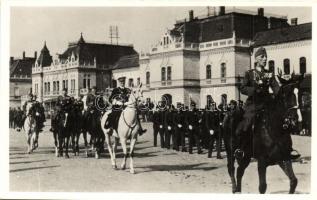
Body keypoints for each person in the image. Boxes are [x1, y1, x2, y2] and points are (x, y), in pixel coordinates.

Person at [235, 47, 300, 159]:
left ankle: (288, 148)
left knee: (282, 120)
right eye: (262, 57)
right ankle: (241, 148)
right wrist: (254, 90)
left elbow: (276, 88)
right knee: (248, 122)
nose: (265, 59)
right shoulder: (250, 74)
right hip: (254, 104)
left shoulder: (269, 74)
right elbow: (243, 88)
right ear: (256, 59)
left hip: (267, 103)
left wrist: (281, 92)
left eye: (265, 57)